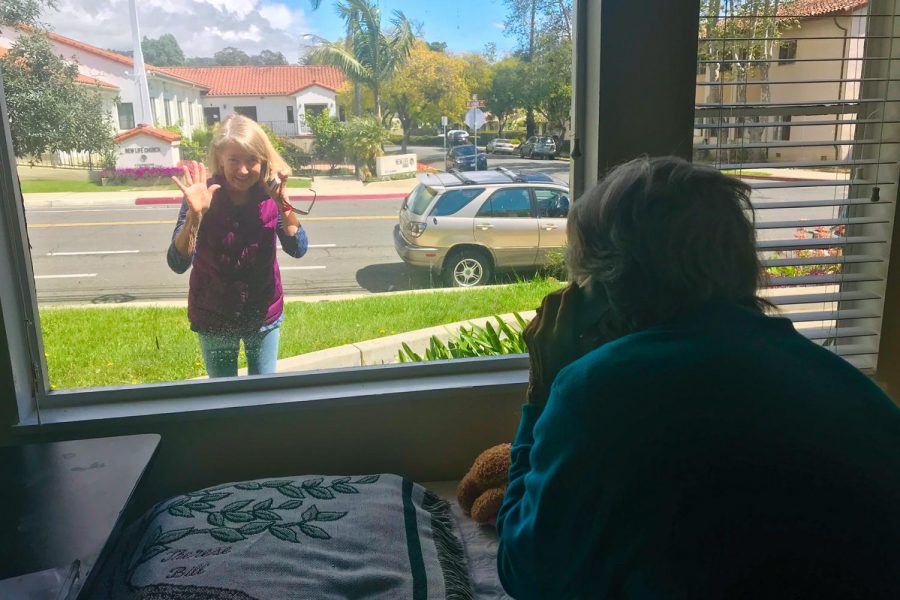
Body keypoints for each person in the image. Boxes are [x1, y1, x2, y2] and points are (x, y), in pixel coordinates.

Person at [495, 156, 900, 599]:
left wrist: (544, 387)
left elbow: (528, 573)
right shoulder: (840, 382)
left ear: (607, 285)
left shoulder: (596, 391)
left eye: (581, 277)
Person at [166, 114, 308, 377]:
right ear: (219, 157)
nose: (242, 170)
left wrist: (283, 204)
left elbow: (298, 248)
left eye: (251, 160)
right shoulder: (202, 194)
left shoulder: (270, 194)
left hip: (263, 314)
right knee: (223, 399)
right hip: (214, 316)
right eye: (234, 160)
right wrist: (195, 217)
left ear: (263, 160)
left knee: (263, 398)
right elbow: (177, 263)